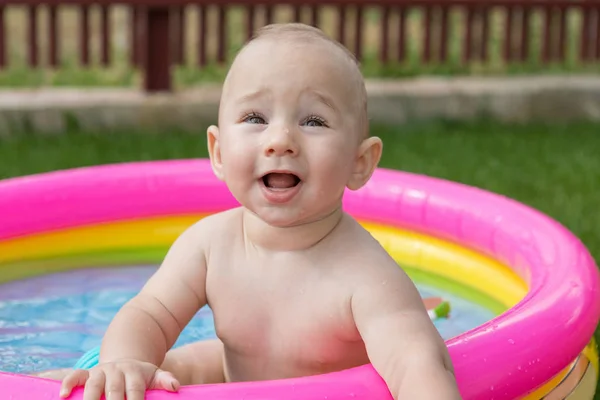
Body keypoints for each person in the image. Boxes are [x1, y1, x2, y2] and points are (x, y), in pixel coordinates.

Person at [38, 22, 461, 400]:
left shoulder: (366, 277)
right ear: (218, 152)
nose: (280, 139)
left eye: (313, 121)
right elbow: (148, 313)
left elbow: (416, 362)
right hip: (227, 376)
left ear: (360, 162)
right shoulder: (209, 245)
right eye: (256, 117)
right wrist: (124, 362)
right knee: (112, 377)